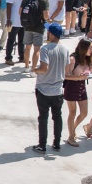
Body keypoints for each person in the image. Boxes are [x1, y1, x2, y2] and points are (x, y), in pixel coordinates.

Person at [32, 24, 67, 154]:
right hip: (58, 90)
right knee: (57, 116)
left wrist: (35, 70)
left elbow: (44, 68)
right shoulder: (65, 49)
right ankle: (57, 143)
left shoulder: (45, 49)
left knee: (43, 118)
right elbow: (67, 68)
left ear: (51, 34)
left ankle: (42, 145)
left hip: (44, 89)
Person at [62, 38, 92, 147]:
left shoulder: (88, 59)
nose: (91, 50)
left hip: (81, 87)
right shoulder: (73, 59)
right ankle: (71, 136)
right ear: (84, 48)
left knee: (84, 113)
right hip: (71, 86)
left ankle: (73, 129)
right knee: (72, 112)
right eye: (90, 48)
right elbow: (65, 75)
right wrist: (77, 77)